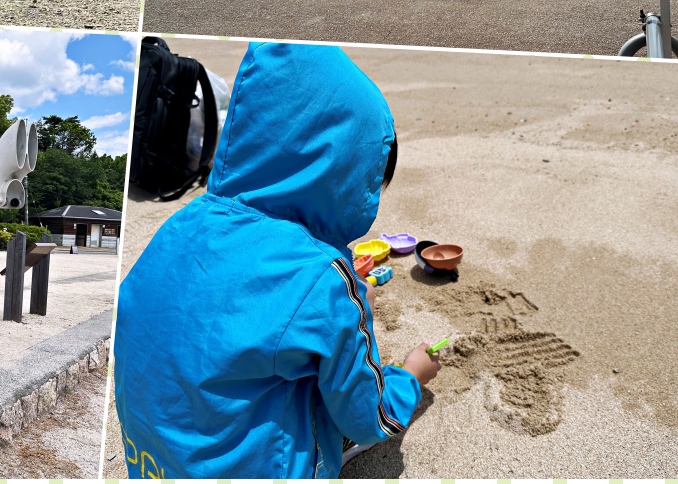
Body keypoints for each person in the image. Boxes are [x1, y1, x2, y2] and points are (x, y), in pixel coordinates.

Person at [114, 42, 440, 478]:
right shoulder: (323, 278)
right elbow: (367, 414)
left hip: (152, 461)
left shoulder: (182, 224)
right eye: (371, 183)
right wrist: (410, 377)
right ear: (348, 177)